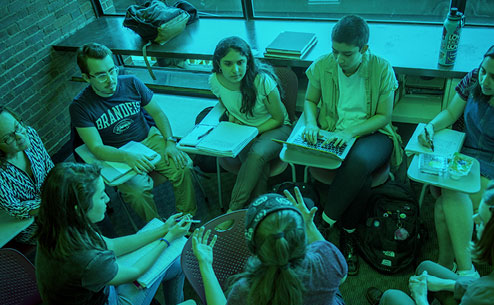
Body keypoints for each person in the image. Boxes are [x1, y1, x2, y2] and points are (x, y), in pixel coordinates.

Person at [35, 162, 189, 305]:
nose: (108, 200)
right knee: (176, 261)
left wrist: (163, 229)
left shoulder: (61, 224)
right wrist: (167, 239)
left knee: (176, 264)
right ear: (79, 209)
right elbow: (134, 272)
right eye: (101, 197)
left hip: (90, 297)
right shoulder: (84, 257)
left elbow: (113, 246)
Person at [302, 15, 402, 274]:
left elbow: (384, 116)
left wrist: (350, 132)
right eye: (335, 51)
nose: (339, 59)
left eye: (346, 54)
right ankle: (349, 233)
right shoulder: (324, 65)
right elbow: (310, 101)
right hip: (333, 132)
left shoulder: (381, 68)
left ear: (364, 49)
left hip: (374, 134)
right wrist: (311, 124)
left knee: (358, 161)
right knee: (362, 177)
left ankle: (324, 223)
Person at [352, 179, 494, 305]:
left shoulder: (480, 299)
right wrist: (448, 284)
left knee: (391, 299)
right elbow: (488, 289)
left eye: (482, 220)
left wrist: (423, 304)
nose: (474, 218)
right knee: (426, 268)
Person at [192, 187, 349, 305]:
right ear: (302, 237)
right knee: (333, 276)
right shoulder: (326, 255)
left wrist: (205, 263)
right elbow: (341, 278)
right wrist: (309, 225)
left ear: (253, 248)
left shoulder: (248, 289)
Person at [70, 43, 197, 223]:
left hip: (148, 139)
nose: (110, 79)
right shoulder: (80, 106)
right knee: (137, 192)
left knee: (183, 165)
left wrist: (170, 142)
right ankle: (157, 229)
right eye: (100, 75)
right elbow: (96, 147)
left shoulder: (131, 82)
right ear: (86, 77)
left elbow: (157, 113)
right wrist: (127, 157)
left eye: (112, 70)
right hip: (116, 154)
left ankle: (186, 219)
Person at [417, 39, 494, 277]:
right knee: (443, 204)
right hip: (465, 153)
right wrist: (431, 126)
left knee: (449, 193)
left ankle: (460, 269)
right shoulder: (473, 80)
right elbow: (450, 113)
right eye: (483, 71)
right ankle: (453, 266)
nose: (485, 81)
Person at [209, 36, 292, 212]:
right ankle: (260, 213)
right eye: (228, 64)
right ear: (218, 64)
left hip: (277, 127)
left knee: (256, 155)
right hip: (245, 130)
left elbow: (277, 119)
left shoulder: (262, 81)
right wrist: (232, 115)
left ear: (248, 61)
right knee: (257, 167)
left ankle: (234, 208)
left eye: (240, 62)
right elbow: (225, 101)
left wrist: (251, 132)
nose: (235, 69)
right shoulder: (215, 81)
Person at [0, 106, 54, 245]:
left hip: (54, 200)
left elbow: (50, 168)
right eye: (8, 138)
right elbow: (15, 208)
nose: (20, 136)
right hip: (28, 224)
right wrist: (55, 203)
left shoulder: (30, 134)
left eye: (17, 127)